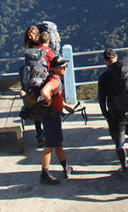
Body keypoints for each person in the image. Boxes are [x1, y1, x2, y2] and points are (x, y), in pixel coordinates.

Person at [98, 49, 128, 180]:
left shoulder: (105, 77)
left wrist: (106, 114)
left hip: (116, 113)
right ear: (116, 57)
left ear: (106, 61)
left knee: (119, 142)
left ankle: (125, 169)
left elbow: (102, 99)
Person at [38, 56, 75, 184]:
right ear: (55, 68)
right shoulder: (55, 80)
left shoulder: (53, 78)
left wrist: (64, 105)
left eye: (65, 66)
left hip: (52, 116)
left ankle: (66, 167)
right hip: (51, 117)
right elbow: (45, 91)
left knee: (58, 144)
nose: (65, 69)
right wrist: (49, 101)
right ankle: (44, 174)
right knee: (49, 146)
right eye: (62, 67)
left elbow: (55, 94)